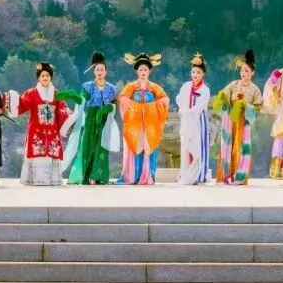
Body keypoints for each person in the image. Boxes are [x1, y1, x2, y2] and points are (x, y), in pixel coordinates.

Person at [11, 62, 77, 186]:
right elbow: (22, 104)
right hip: (36, 131)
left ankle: (52, 179)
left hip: (52, 131)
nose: (45, 77)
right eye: (42, 75)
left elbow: (62, 110)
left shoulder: (56, 94)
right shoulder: (32, 93)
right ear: (38, 78)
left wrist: (70, 120)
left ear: (51, 77)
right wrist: (12, 100)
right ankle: (37, 179)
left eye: (47, 75)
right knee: (37, 154)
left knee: (51, 153)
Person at [211, 49, 263, 185]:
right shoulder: (234, 84)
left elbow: (258, 107)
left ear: (252, 73)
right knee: (227, 145)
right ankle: (226, 174)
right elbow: (225, 94)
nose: (243, 73)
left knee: (239, 147)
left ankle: (238, 175)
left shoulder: (255, 89)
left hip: (243, 121)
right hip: (230, 119)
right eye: (242, 70)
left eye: (246, 71)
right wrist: (222, 97)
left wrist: (245, 105)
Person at [66, 52, 119, 185]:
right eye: (97, 70)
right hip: (91, 119)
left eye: (102, 70)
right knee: (88, 146)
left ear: (106, 71)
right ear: (94, 71)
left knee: (102, 147)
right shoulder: (87, 86)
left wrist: (108, 108)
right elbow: (82, 101)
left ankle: (97, 176)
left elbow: (114, 105)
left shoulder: (112, 88)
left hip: (105, 120)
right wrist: (74, 96)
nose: (100, 72)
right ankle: (86, 175)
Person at [117, 53, 170, 185]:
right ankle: (134, 175)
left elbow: (165, 100)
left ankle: (149, 175)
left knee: (149, 148)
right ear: (137, 71)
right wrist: (137, 108)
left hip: (150, 125)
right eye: (140, 69)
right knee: (136, 149)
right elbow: (122, 100)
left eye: (145, 69)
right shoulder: (131, 87)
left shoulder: (155, 88)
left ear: (149, 71)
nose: (143, 72)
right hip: (135, 125)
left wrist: (149, 108)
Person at [175, 53, 211, 185]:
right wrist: (183, 109)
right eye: (193, 72)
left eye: (198, 72)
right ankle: (186, 173)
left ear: (203, 74)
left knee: (199, 147)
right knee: (186, 147)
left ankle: (199, 175)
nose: (195, 74)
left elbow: (199, 106)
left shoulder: (205, 89)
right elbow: (179, 98)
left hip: (199, 121)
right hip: (187, 120)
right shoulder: (186, 86)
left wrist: (188, 112)